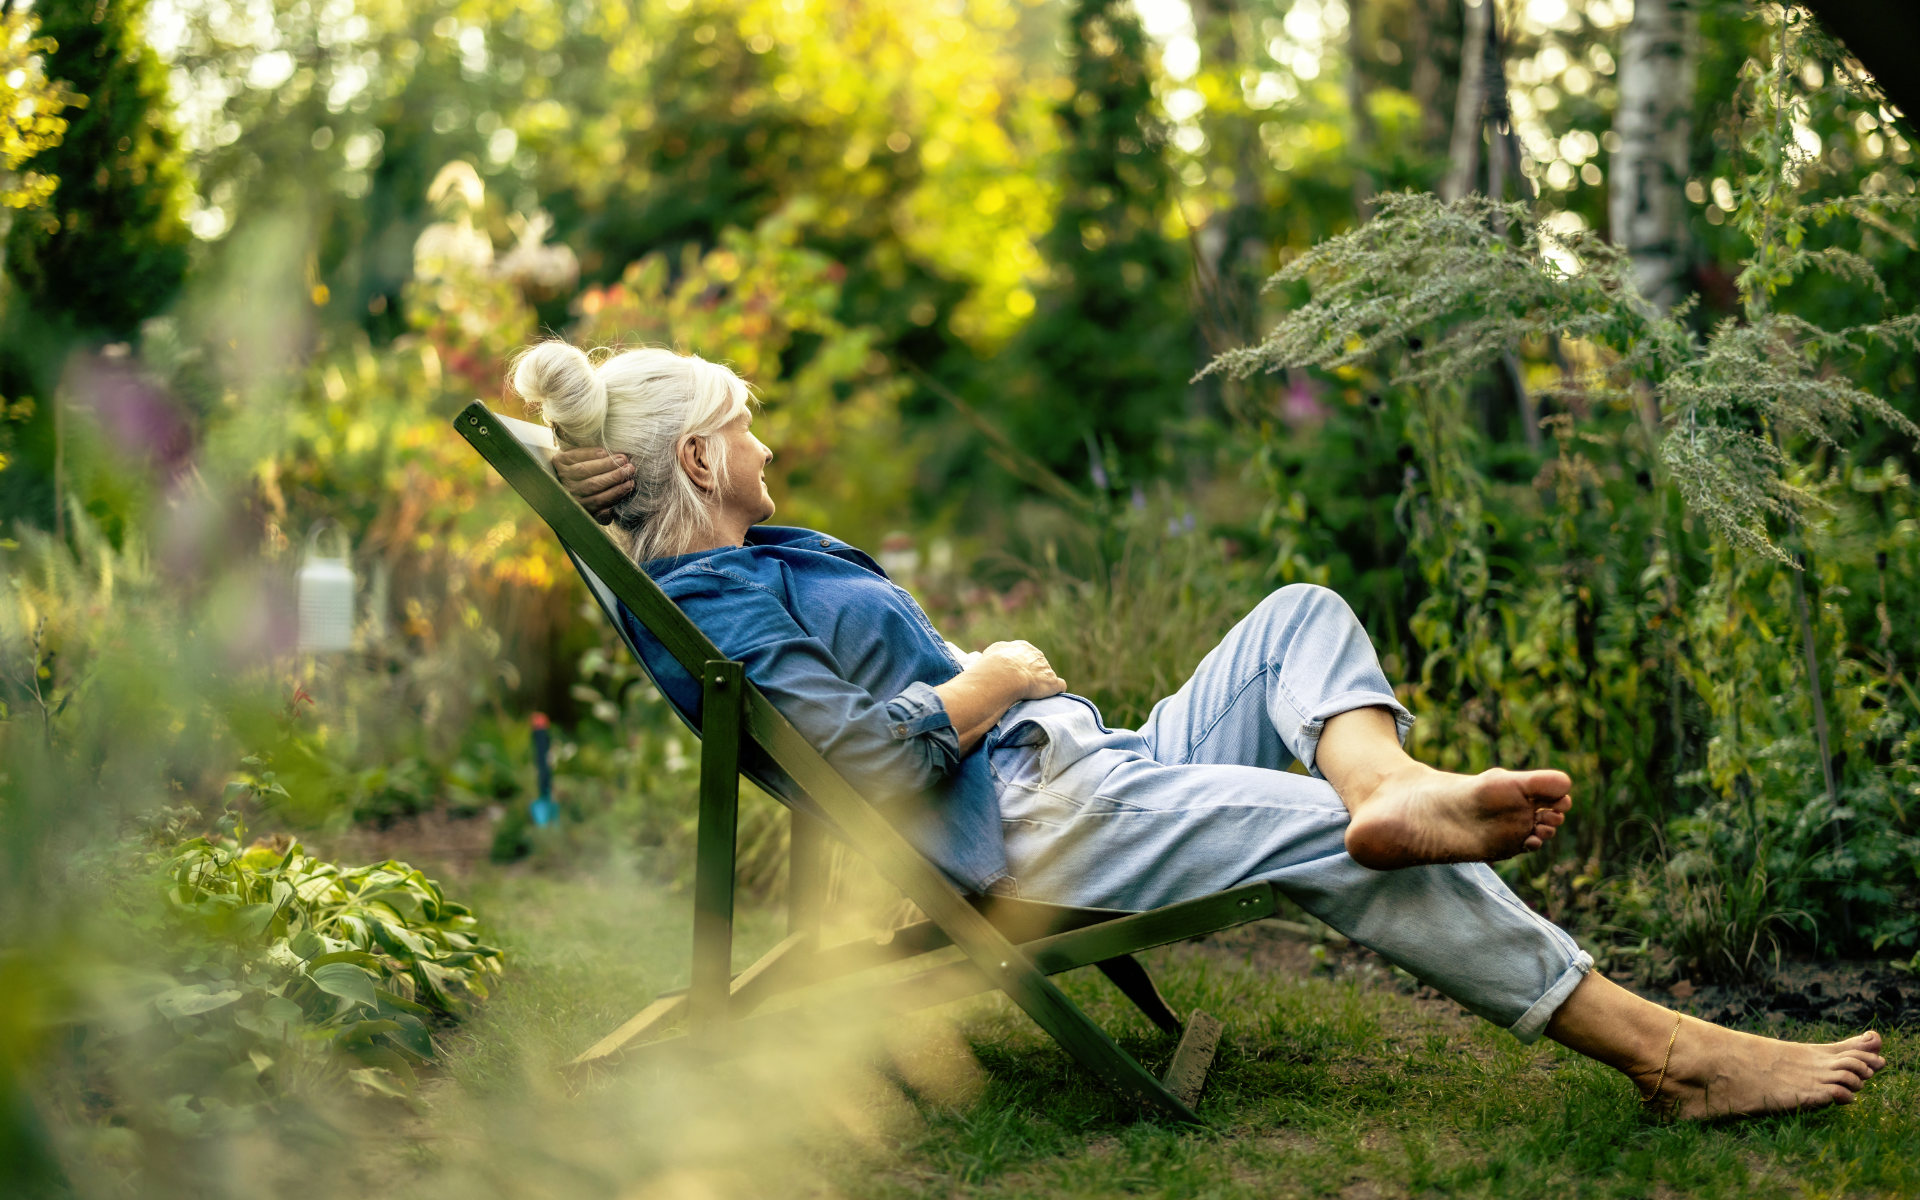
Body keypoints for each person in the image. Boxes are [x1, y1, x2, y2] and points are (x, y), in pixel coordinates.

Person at [513, 339, 1885, 1120]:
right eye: (746, 424)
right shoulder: (727, 606)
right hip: (1039, 819)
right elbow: (866, 764)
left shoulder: (741, 562)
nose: (768, 438)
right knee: (1317, 835)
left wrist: (1013, 696)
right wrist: (993, 676)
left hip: (1080, 765)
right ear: (695, 460)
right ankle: (1675, 1056)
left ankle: (1392, 780)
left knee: (1297, 613)